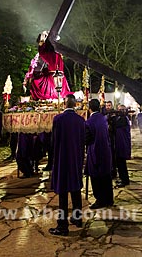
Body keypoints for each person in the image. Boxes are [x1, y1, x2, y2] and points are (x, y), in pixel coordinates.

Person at [49, 94, 85, 236]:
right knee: (75, 189)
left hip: (62, 158)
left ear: (64, 104)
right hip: (75, 158)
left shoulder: (58, 119)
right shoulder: (81, 120)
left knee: (63, 192)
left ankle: (62, 226)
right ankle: (77, 218)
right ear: (75, 104)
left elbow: (53, 140)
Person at [85, 99, 114, 208]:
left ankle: (100, 200)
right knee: (106, 177)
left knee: (96, 177)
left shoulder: (89, 121)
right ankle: (109, 199)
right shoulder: (103, 118)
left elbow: (86, 139)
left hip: (95, 151)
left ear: (90, 108)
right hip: (106, 150)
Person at [114, 105, 132, 188]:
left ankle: (124, 180)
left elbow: (116, 125)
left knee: (122, 164)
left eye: (122, 110)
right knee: (120, 163)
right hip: (119, 143)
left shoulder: (124, 119)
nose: (120, 111)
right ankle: (122, 178)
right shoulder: (121, 118)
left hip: (122, 144)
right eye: (119, 110)